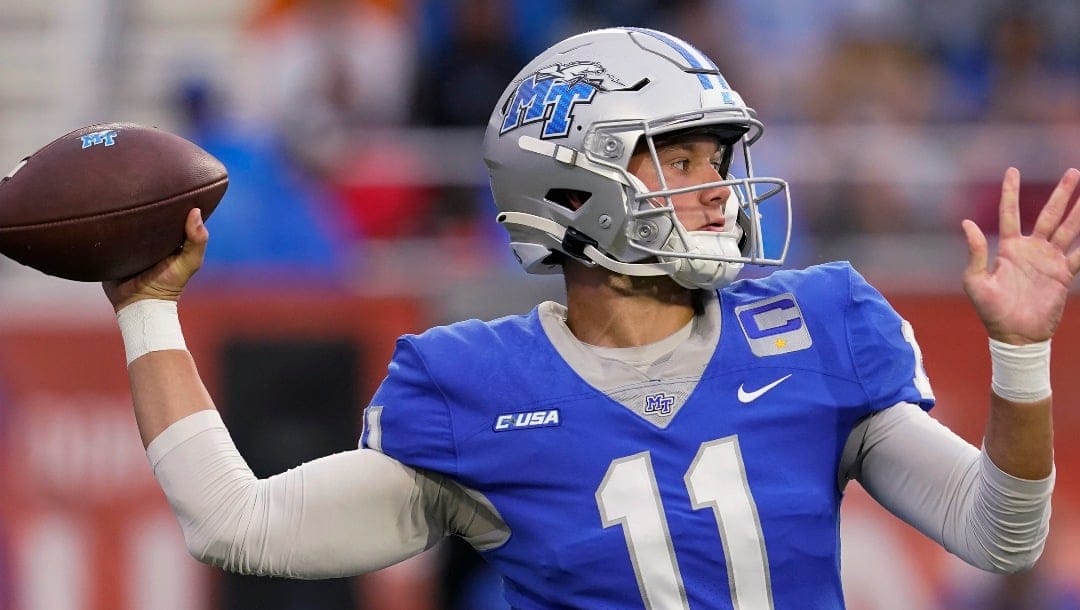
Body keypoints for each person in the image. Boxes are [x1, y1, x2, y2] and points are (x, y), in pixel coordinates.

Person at [104, 28, 1079, 609]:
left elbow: (1000, 536)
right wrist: (148, 313)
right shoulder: (474, 389)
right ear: (570, 189)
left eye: (718, 161)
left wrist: (1021, 357)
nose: (716, 191)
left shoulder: (815, 324)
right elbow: (239, 522)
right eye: (680, 160)